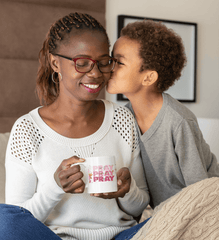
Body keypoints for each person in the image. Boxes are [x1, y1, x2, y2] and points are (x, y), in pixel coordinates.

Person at [1, 12, 149, 240]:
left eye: (103, 62)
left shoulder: (122, 118)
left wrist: (127, 191)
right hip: (56, 238)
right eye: (82, 63)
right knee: (4, 218)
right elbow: (17, 217)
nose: (96, 74)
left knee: (184, 211)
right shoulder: (27, 130)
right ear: (55, 63)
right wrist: (54, 187)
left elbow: (140, 208)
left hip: (120, 237)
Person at [107, 20, 219, 210]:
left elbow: (200, 191)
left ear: (148, 77)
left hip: (201, 208)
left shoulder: (179, 121)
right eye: (111, 60)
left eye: (119, 62)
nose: (110, 67)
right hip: (161, 213)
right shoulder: (123, 118)